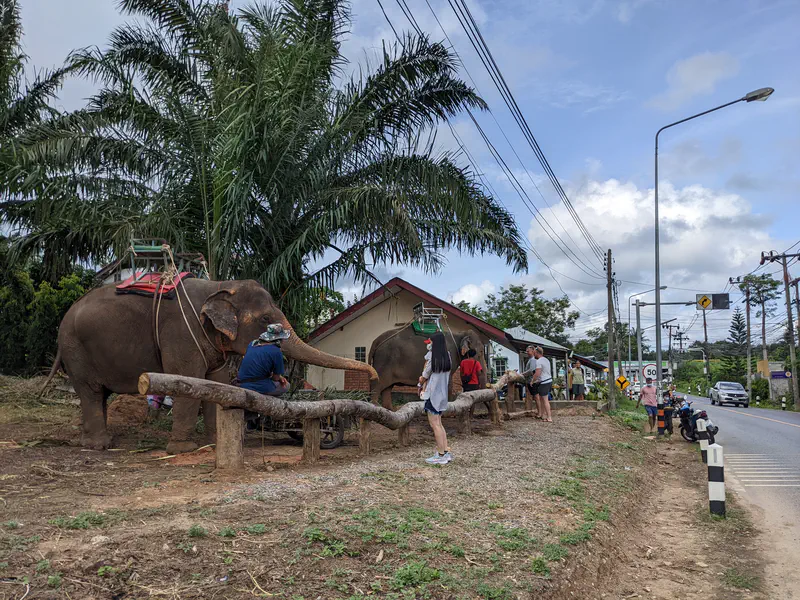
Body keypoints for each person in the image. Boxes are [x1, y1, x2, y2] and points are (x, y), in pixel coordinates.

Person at [420, 331, 452, 465]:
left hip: (432, 394)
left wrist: (421, 382)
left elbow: (424, 375)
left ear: (434, 343)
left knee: (434, 425)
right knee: (439, 423)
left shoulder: (433, 357)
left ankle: (440, 455)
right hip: (442, 395)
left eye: (430, 342)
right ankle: (445, 452)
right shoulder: (447, 356)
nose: (429, 345)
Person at [236, 323, 291, 396]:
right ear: (278, 340)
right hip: (256, 385)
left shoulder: (252, 344)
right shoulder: (276, 351)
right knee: (286, 386)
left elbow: (257, 367)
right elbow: (275, 378)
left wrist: (279, 377)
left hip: (241, 382)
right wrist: (279, 377)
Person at [532, 347, 553, 422]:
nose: (533, 354)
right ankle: (544, 415)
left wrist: (532, 381)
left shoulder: (539, 361)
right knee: (542, 399)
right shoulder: (546, 360)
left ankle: (549, 417)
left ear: (537, 353)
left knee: (545, 400)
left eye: (534, 353)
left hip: (544, 382)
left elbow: (537, 373)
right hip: (549, 380)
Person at [522, 345, 540, 417]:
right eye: (526, 351)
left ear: (533, 351)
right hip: (532, 381)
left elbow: (531, 370)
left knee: (536, 397)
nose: (527, 353)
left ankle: (540, 413)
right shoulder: (531, 359)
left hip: (533, 381)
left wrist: (522, 374)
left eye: (528, 351)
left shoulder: (532, 359)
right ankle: (540, 412)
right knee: (536, 398)